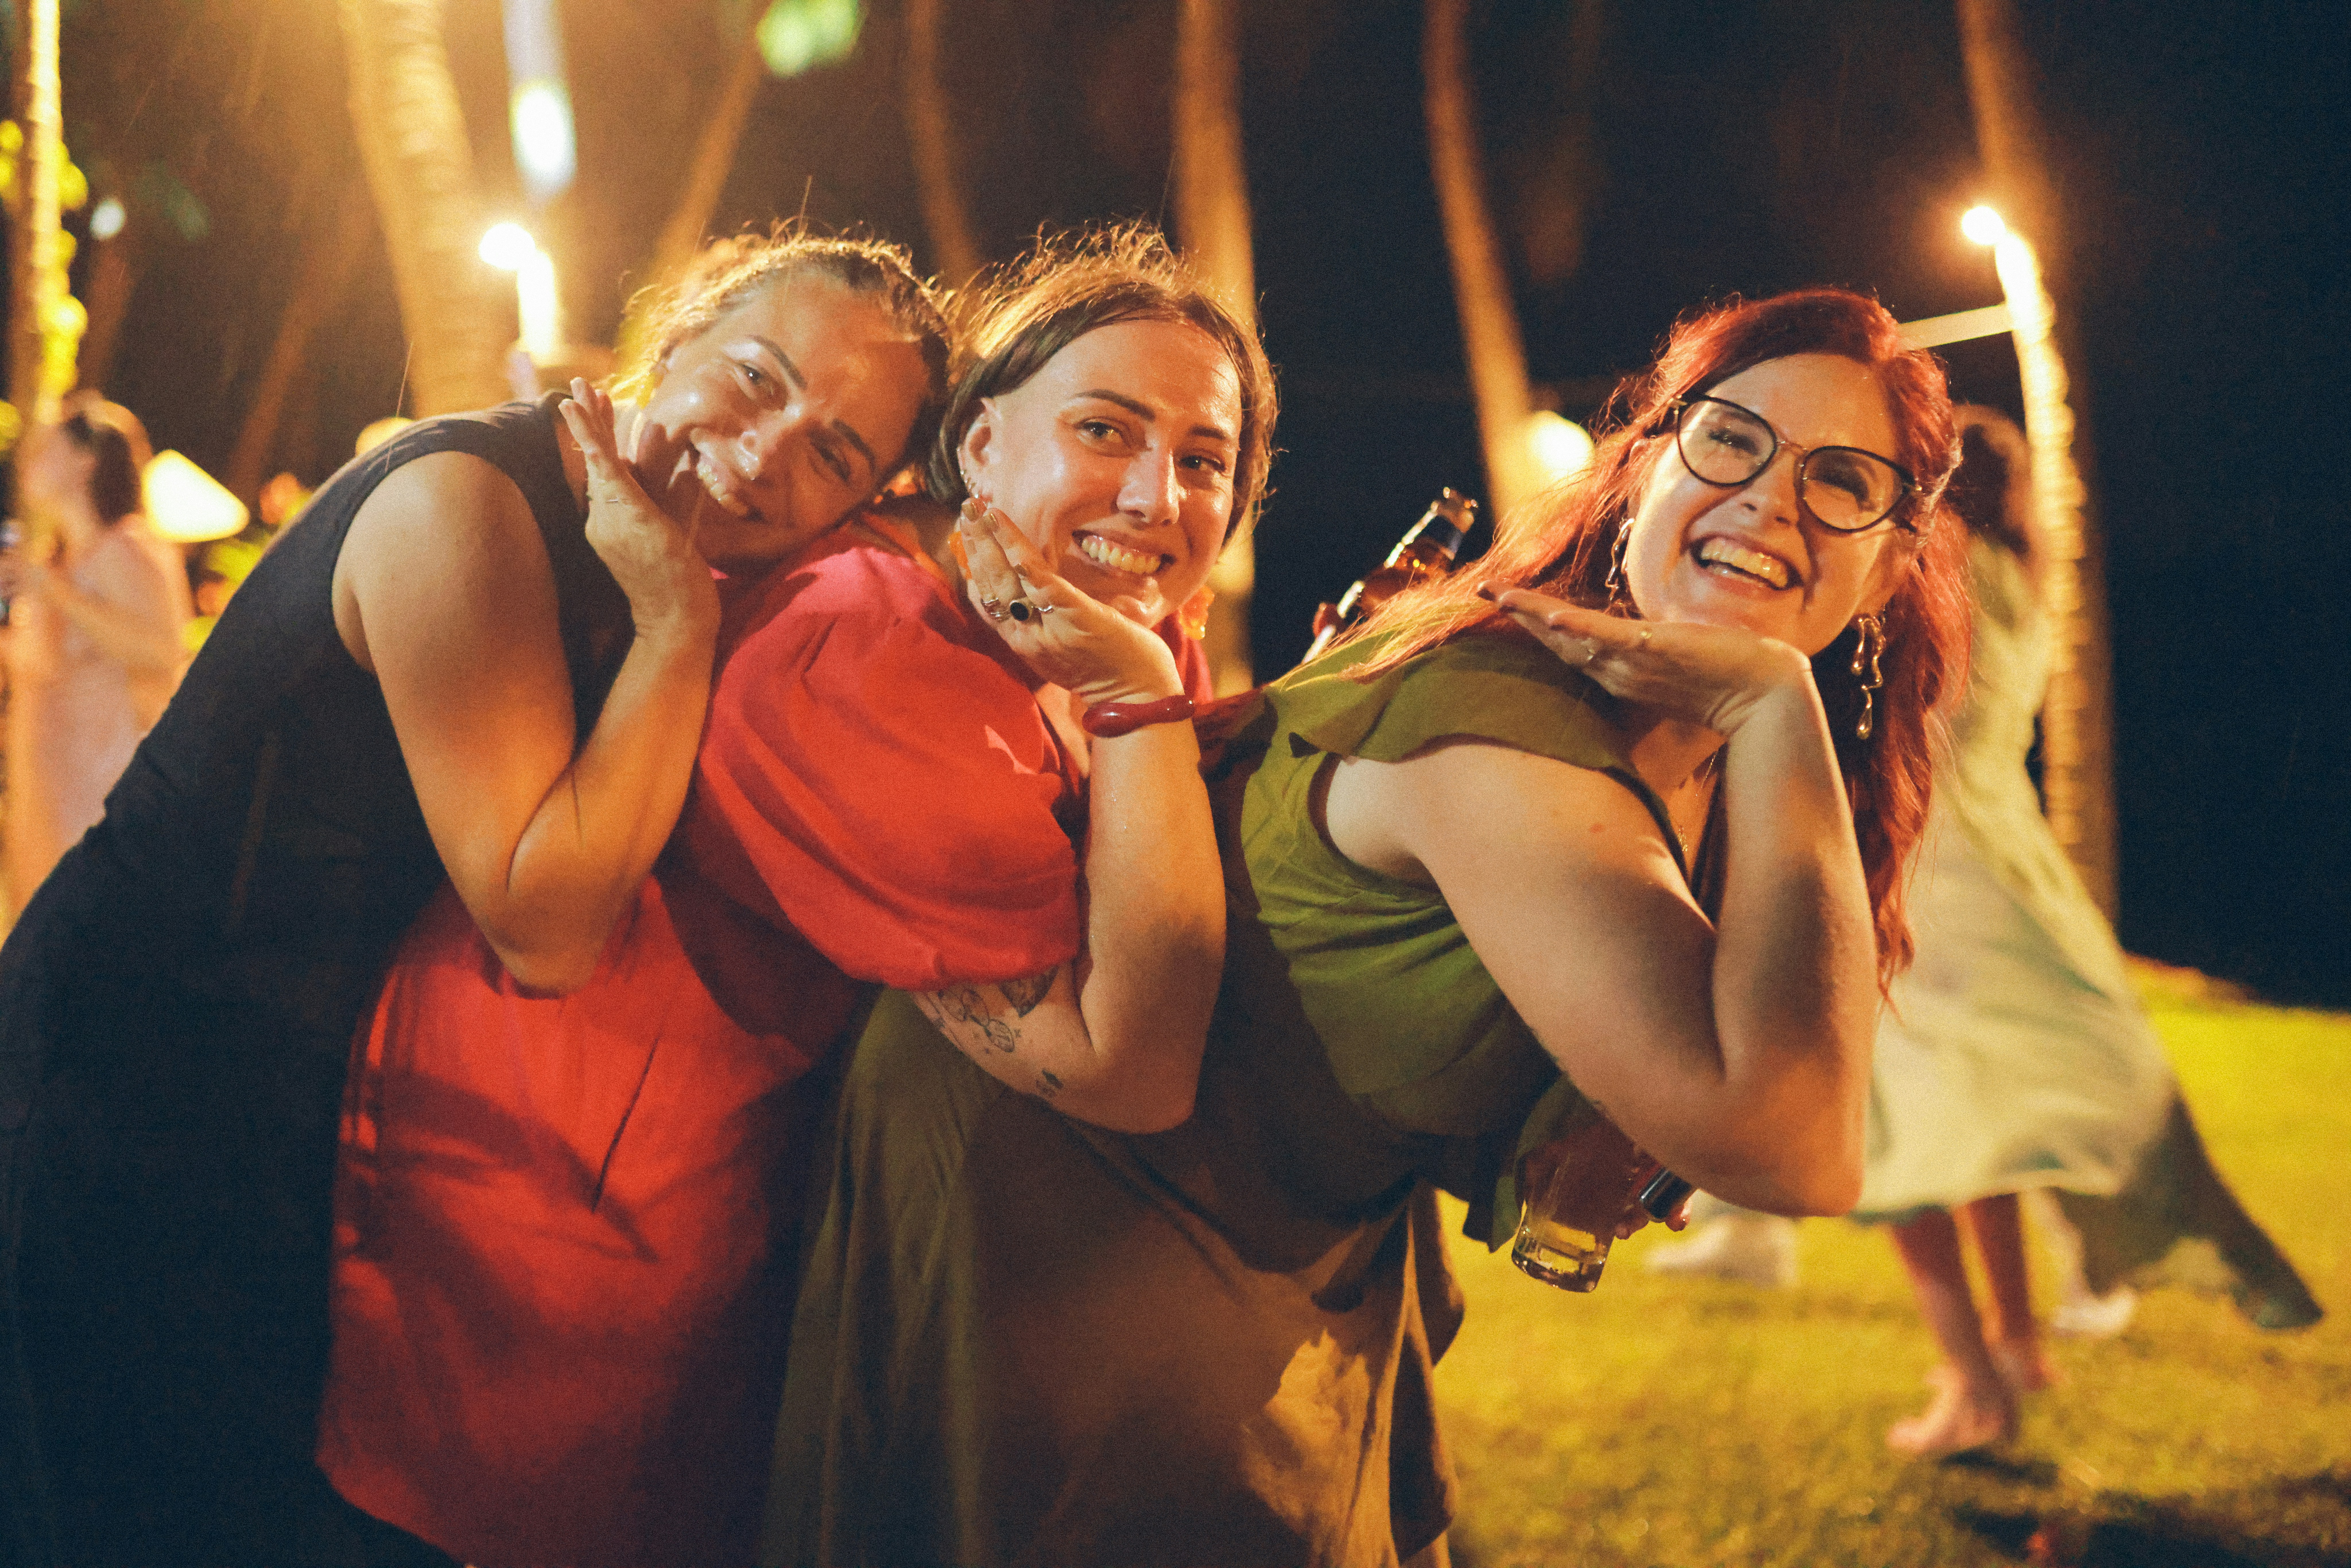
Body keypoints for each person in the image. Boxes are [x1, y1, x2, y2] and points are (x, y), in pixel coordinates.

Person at [767, 287, 1973, 1567]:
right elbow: (1796, 1150)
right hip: (1063, 1255)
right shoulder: (1497, 730)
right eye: (1729, 441)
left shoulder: (1683, 764)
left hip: (1287, 1258)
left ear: (1895, 562)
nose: (1770, 502)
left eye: (1841, 481)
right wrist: (1782, 708)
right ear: (1641, 468)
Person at [311, 225, 1272, 1568]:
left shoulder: (1031, 608)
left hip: (675, 1195)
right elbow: (1131, 1060)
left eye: (1206, 460)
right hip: (567, 1223)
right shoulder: (866, 656)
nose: (1156, 492)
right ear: (979, 449)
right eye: (1105, 428)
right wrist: (1136, 696)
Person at [0, 230, 950, 1568]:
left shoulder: (624, 540)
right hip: (129, 1075)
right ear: (673, 336)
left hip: (272, 1107)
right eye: (755, 374)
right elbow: (547, 917)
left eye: (835, 452)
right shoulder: (467, 505)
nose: (766, 445)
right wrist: (677, 625)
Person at [1853, 407, 2321, 1459]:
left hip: (1925, 869)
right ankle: (2015, 1341)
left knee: (1882, 1137)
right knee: (1970, 1132)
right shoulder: (2025, 578)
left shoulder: (1936, 555)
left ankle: (1974, 1382)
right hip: (2012, 866)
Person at [1, 395, 192, 917]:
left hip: (100, 790)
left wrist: (53, 590)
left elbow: (159, 651)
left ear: (87, 462)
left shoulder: (126, 547)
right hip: (44, 791)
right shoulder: (55, 563)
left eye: (49, 447)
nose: (30, 458)